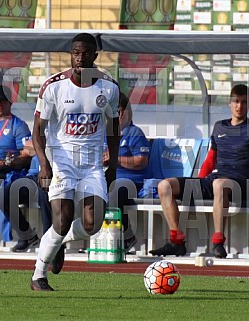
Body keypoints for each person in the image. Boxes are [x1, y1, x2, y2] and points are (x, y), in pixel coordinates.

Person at [30, 32, 120, 291]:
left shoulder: (108, 87)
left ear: (95, 56)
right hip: (61, 162)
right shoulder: (54, 86)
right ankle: (38, 276)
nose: (80, 58)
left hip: (92, 165)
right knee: (63, 217)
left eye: (85, 53)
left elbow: (114, 129)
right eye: (75, 52)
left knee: (93, 224)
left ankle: (59, 241)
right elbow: (37, 130)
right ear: (70, 54)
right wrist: (44, 164)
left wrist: (112, 165)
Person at [149, 84, 249, 259]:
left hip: (241, 183)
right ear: (230, 103)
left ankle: (218, 242)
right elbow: (211, 159)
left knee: (219, 184)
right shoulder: (220, 127)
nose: (239, 106)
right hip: (216, 179)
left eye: (244, 102)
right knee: (165, 186)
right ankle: (176, 241)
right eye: (236, 101)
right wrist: (197, 184)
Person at [107, 93, 151, 253]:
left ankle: (125, 237)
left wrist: (115, 159)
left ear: (122, 112)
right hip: (108, 178)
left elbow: (141, 161)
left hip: (132, 181)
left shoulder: (134, 133)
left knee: (114, 191)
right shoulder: (105, 135)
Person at [0, 140, 52, 252]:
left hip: (54, 175)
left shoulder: (64, 128)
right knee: (3, 196)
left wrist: (36, 148)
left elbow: (33, 148)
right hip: (33, 177)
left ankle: (50, 241)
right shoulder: (42, 127)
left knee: (44, 192)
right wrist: (37, 147)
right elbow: (28, 146)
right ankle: (28, 237)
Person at [0, 85, 32, 210]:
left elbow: (27, 158)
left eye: (3, 101)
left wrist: (2, 164)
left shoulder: (18, 125)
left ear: (10, 102)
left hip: (5, 173)